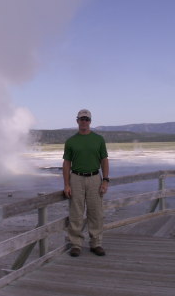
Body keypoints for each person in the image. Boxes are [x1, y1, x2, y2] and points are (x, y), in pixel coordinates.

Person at [63, 109, 109, 257]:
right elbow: (66, 163)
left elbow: (104, 160)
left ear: (90, 121)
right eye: (81, 119)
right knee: (76, 212)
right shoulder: (71, 141)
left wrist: (105, 180)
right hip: (76, 178)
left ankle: (96, 243)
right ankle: (76, 244)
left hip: (95, 177)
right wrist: (66, 184)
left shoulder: (98, 139)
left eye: (86, 119)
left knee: (96, 212)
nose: (84, 121)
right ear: (77, 121)